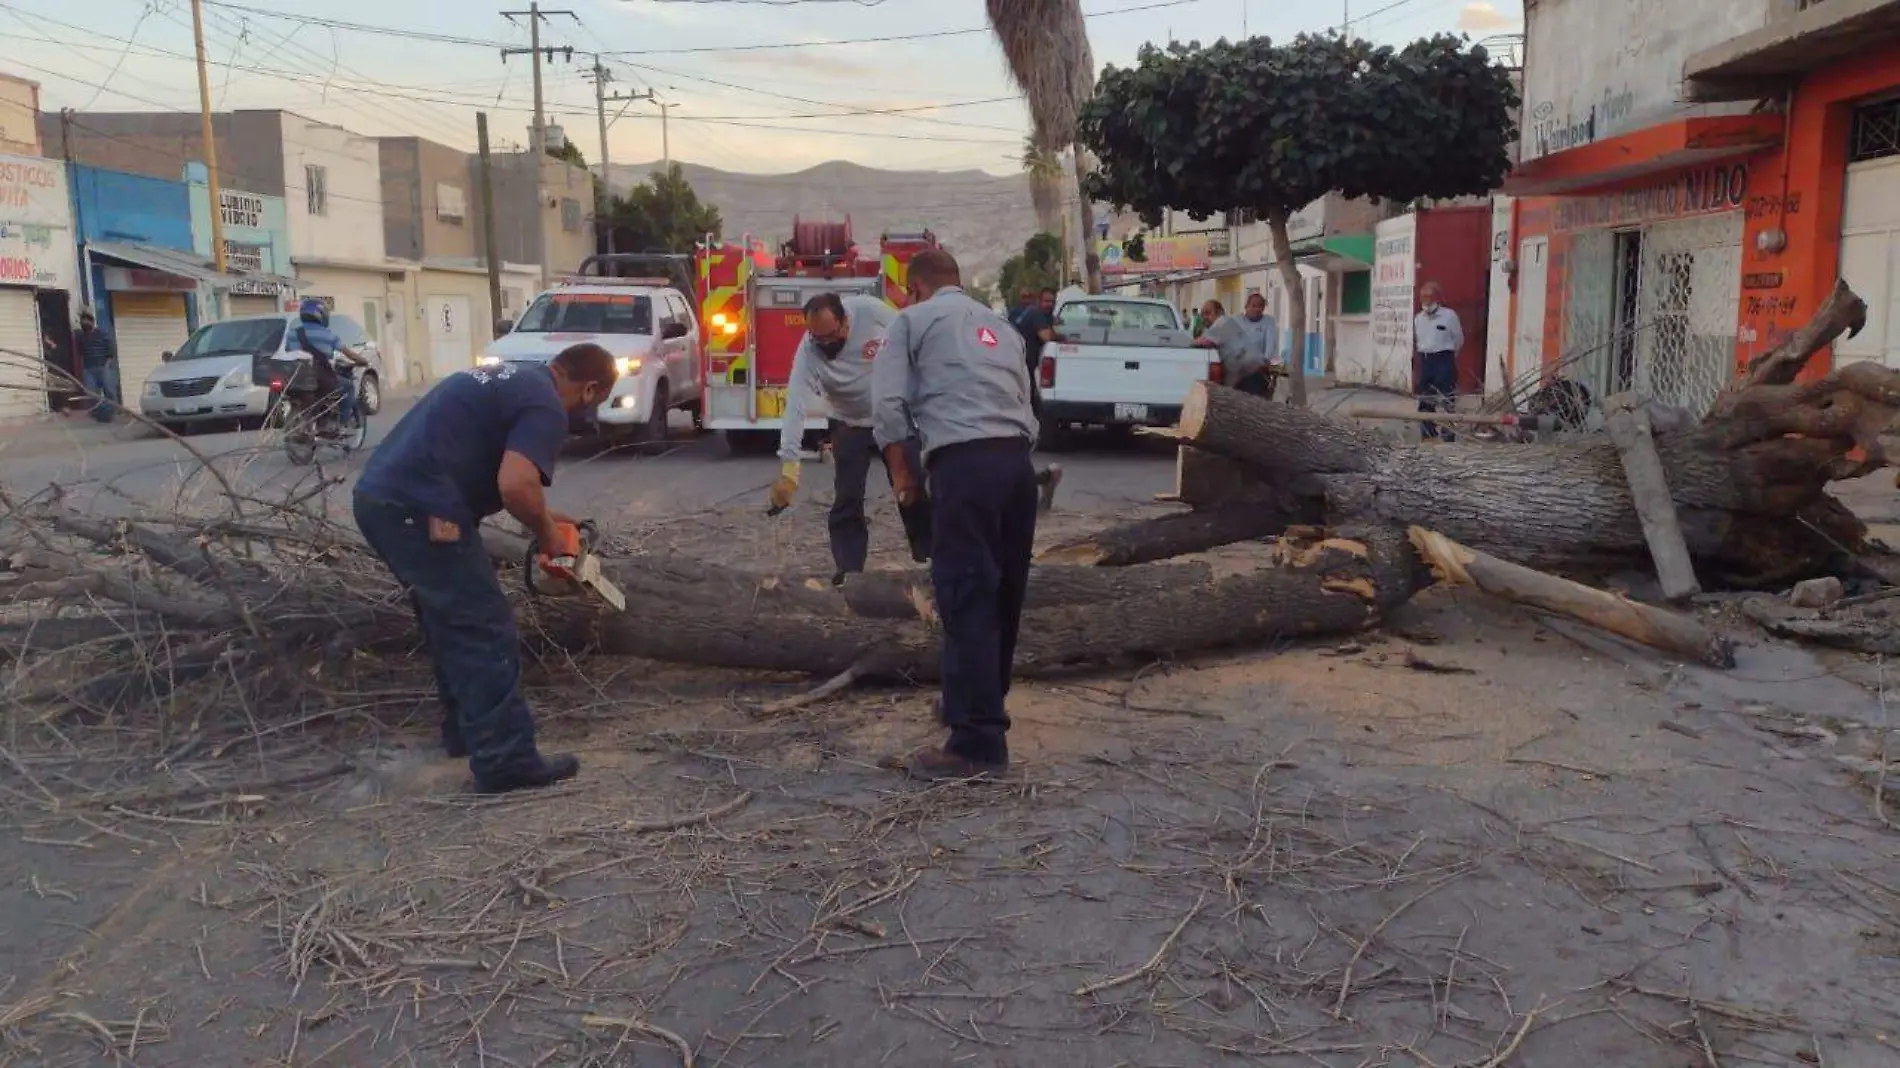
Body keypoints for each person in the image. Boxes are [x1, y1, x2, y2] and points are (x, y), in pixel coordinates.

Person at [352, 344, 617, 794]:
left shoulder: (509, 379)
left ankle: (464, 734)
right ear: (590, 388)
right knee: (485, 625)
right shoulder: (545, 404)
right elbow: (515, 486)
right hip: (421, 509)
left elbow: (494, 468)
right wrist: (550, 538)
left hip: (382, 500)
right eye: (593, 403)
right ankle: (506, 760)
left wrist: (553, 518)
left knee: (449, 621)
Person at [873, 248, 1039, 780]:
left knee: (965, 593)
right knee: (1004, 592)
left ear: (915, 287)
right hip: (1016, 466)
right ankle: (975, 702)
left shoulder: (912, 322)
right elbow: (1028, 404)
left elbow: (888, 406)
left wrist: (903, 477)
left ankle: (977, 744)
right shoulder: (1002, 327)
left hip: (963, 466)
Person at [769, 292, 931, 584]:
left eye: (831, 336)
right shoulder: (809, 350)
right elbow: (795, 404)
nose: (826, 345)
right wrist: (789, 468)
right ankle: (849, 569)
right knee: (847, 497)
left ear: (845, 321)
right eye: (818, 339)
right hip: (847, 423)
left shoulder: (870, 311)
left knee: (912, 486)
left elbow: (912, 339)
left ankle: (930, 554)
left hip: (891, 417)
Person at [288, 298, 370, 430]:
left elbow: (289, 351)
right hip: (319, 376)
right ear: (321, 315)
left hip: (295, 377)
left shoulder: (293, 333)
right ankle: (341, 423)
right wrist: (363, 361)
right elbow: (349, 354)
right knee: (348, 386)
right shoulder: (328, 335)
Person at [1196, 293, 1279, 397]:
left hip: (1249, 372)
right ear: (1246, 306)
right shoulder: (1234, 320)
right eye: (1203, 314)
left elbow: (1203, 342)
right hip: (1244, 370)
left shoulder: (1222, 323)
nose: (1204, 317)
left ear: (1219, 312)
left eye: (1208, 313)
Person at [1413, 282, 1465, 442]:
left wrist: (1448, 357)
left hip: (1444, 359)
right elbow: (1418, 341)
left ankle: (1448, 435)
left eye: (1429, 296)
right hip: (1426, 361)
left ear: (1437, 297)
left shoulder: (1449, 316)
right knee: (1425, 399)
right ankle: (1428, 434)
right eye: (1423, 297)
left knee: (1446, 399)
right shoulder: (1418, 318)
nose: (1426, 301)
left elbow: (1459, 340)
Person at [1013, 287, 1062, 419]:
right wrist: (1063, 337)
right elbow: (1046, 336)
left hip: (1019, 361)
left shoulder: (1020, 313)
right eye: (1046, 301)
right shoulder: (1036, 314)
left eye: (1052, 302)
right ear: (1038, 301)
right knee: (1031, 400)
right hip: (1028, 363)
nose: (1049, 305)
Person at [74, 309, 118, 423]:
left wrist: (107, 366)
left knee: (109, 391)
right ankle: (99, 415)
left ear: (92, 322)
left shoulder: (102, 334)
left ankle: (109, 413)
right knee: (92, 393)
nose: (84, 325)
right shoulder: (82, 337)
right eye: (82, 323)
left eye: (86, 323)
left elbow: (111, 352)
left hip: (103, 367)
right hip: (89, 369)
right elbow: (81, 352)